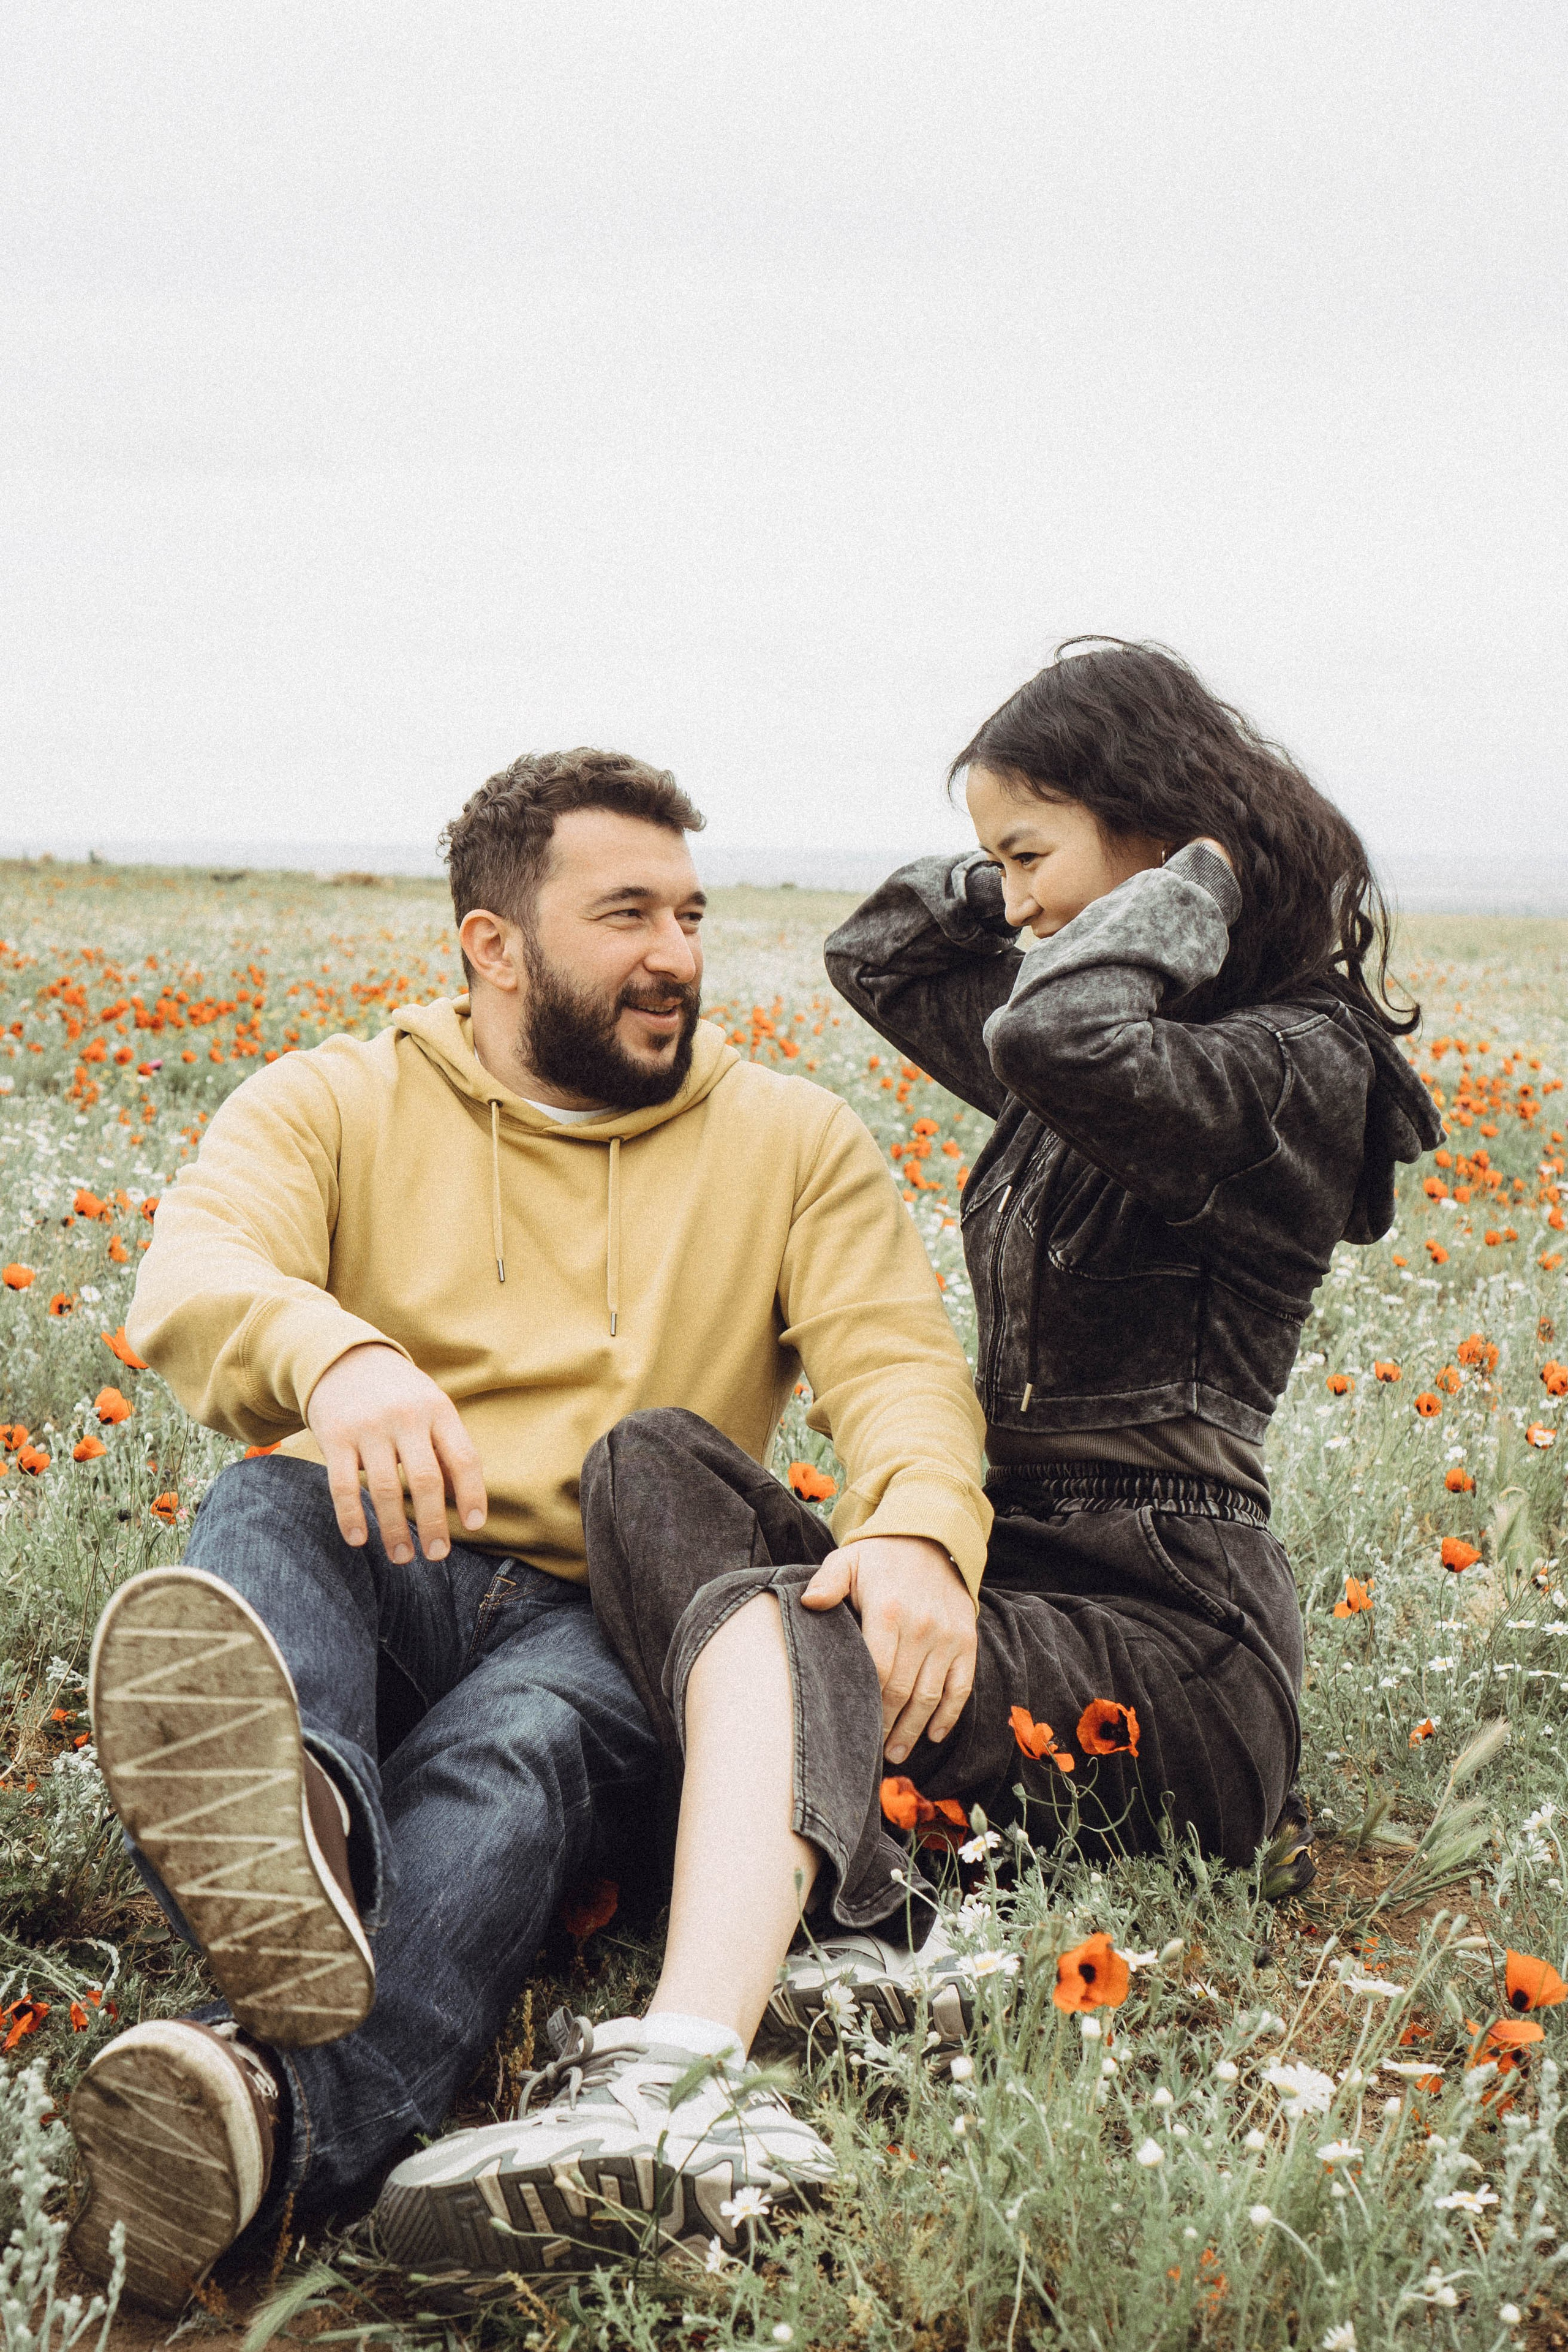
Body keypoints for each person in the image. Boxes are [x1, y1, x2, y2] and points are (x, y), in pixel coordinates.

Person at [368, 641, 1441, 2288]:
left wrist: (1187, 889)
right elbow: (877, 950)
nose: (1010, 907)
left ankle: (684, 2084)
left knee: (780, 1650)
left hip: (1167, 1641)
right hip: (1007, 1593)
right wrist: (1042, 878)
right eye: (999, 865)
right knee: (654, 1460)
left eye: (1030, 858)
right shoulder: (1100, 1037)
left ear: (1163, 844)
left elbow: (1070, 1038)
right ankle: (891, 1941)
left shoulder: (1294, 1067)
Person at [68, 748, 991, 2314]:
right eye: (625, 912)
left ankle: (272, 2125)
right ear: (492, 943)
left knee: (524, 1750)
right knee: (270, 1498)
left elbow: (899, 1364)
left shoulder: (789, 1142)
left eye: (691, 915)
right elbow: (200, 1265)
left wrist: (916, 1534)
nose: (675, 956)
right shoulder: (339, 1098)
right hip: (387, 1553)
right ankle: (309, 1828)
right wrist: (338, 1355)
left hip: (600, 1620)